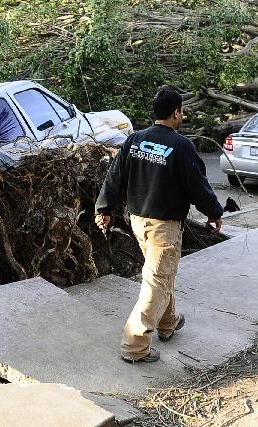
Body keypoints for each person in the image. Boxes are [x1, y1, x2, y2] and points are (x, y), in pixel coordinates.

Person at [94, 86, 223, 363]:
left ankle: (168, 323)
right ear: (176, 112)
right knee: (157, 280)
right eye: (181, 111)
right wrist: (214, 212)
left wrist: (104, 208)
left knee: (162, 272)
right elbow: (198, 187)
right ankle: (135, 345)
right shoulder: (181, 146)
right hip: (163, 226)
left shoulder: (135, 141)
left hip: (138, 222)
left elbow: (113, 177)